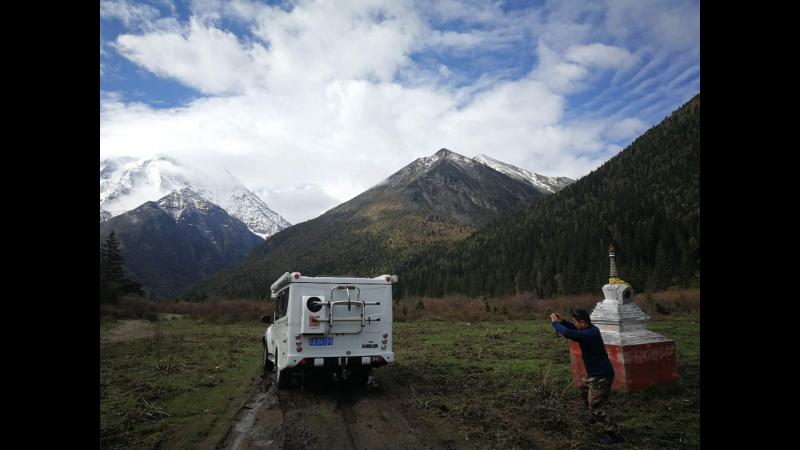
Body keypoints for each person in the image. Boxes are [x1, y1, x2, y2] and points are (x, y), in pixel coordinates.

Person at [550, 309, 623, 444]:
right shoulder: (590, 329)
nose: (575, 324)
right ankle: (593, 415)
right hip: (594, 375)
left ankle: (613, 434)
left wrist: (555, 323)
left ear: (582, 322)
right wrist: (563, 321)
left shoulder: (590, 334)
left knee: (596, 406)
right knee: (583, 389)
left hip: (602, 376)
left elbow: (568, 333)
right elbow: (573, 330)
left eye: (575, 322)